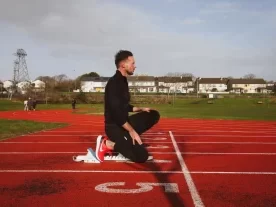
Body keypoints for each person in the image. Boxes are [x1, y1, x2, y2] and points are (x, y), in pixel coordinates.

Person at [95, 50, 160, 163]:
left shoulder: (123, 81)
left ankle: (128, 141)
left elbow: (123, 106)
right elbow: (116, 112)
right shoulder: (114, 83)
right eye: (132, 63)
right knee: (142, 157)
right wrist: (132, 131)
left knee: (153, 115)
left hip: (123, 123)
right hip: (114, 127)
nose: (135, 66)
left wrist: (139, 109)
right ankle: (108, 144)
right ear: (123, 65)